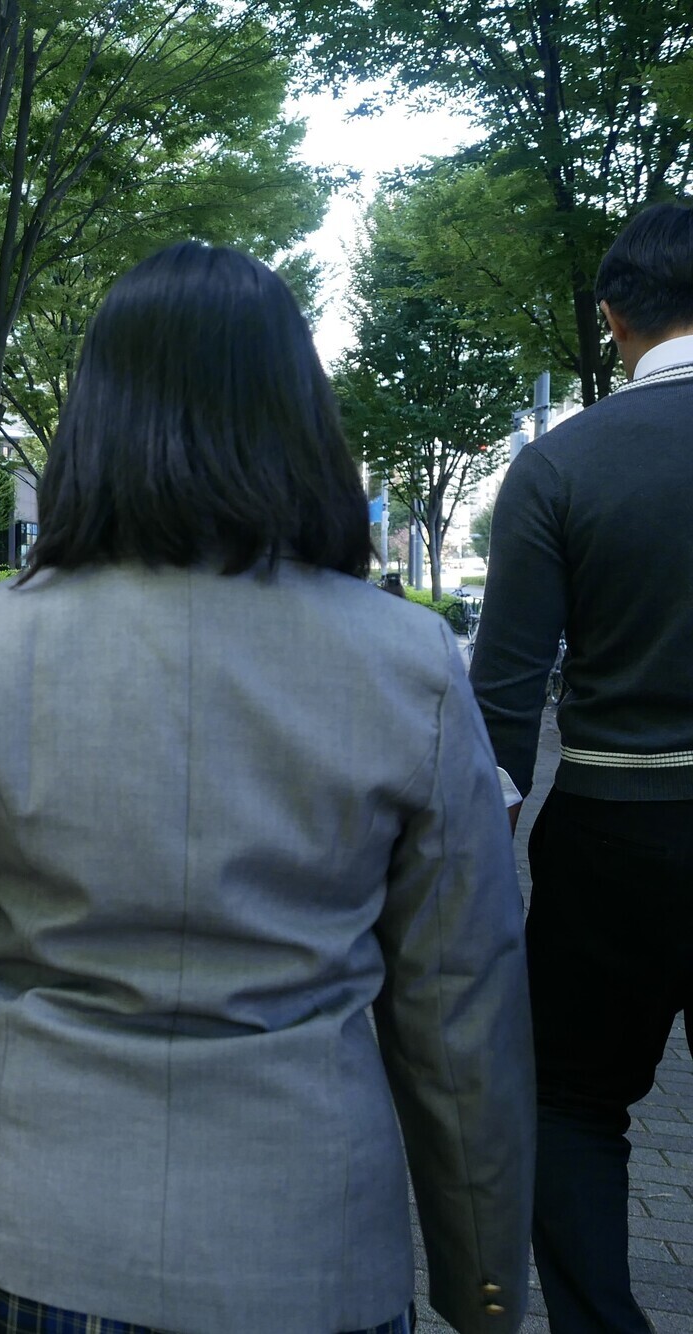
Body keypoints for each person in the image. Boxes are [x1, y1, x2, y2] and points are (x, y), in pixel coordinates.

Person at [0, 242, 533, 1334]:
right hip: (305, 1245)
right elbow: (457, 1006)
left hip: (20, 1228)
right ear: (298, 415)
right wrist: (481, 1279)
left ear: (93, 417)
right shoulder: (410, 662)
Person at [470, 199, 693, 1332]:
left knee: (567, 1099)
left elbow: (501, 705)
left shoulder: (557, 465)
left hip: (613, 825)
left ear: (612, 319)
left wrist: (472, 884)